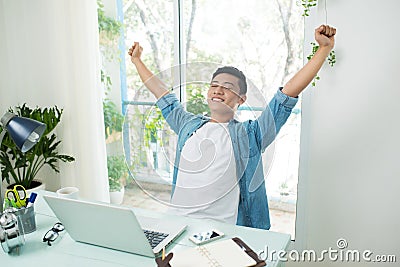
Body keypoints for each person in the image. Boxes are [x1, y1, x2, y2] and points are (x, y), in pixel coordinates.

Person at [129, 25, 336, 230]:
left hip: (221, 231)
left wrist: (323, 49)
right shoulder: (188, 125)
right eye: (214, 85)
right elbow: (163, 94)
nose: (218, 90)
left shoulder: (250, 135)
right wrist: (137, 61)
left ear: (241, 99)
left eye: (228, 87)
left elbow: (287, 95)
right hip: (176, 222)